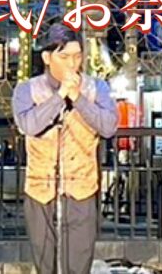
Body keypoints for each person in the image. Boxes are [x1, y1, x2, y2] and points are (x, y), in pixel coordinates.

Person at [12, 23, 118, 274]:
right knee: (45, 261)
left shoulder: (96, 88)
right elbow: (29, 125)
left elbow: (108, 127)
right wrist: (59, 96)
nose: (72, 63)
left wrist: (78, 98)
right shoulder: (27, 89)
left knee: (79, 262)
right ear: (47, 57)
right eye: (64, 56)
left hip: (81, 187)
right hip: (41, 188)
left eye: (77, 56)